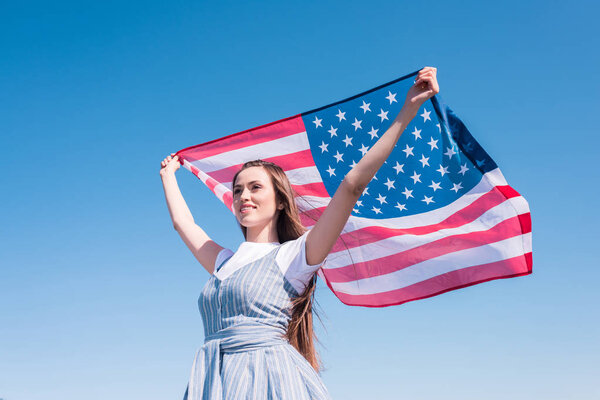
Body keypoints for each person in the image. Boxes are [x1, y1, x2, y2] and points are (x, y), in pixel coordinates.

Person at [160, 67, 440, 399]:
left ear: (280, 201)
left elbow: (351, 186)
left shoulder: (294, 256)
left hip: (269, 381)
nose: (243, 196)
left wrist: (408, 110)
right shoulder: (224, 264)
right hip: (215, 380)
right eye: (237, 190)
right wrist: (168, 175)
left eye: (254, 188)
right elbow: (183, 225)